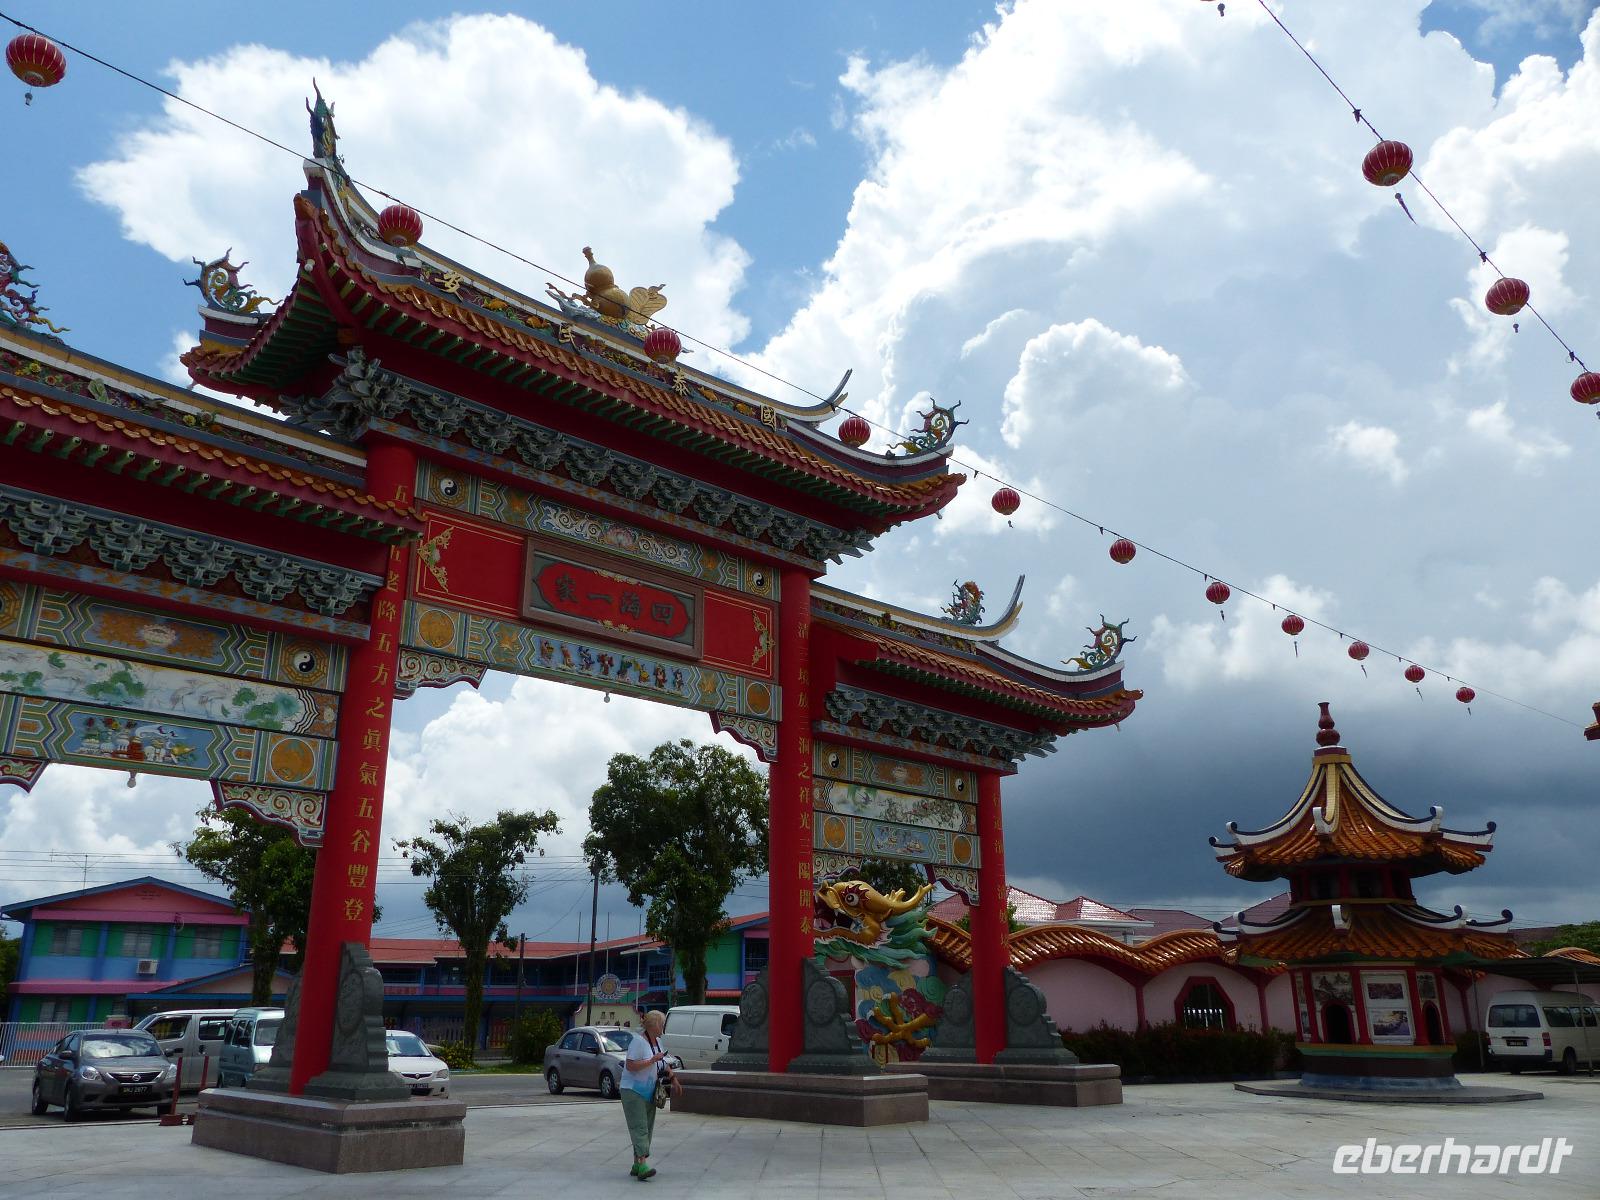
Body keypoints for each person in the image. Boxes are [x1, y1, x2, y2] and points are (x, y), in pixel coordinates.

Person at [621, 1009, 680, 1180]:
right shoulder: (638, 1042)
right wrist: (651, 1060)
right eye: (661, 1023)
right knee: (639, 1127)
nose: (663, 1026)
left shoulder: (658, 1042)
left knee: (646, 1127)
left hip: (648, 1092)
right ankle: (643, 1165)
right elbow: (631, 1066)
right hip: (632, 1091)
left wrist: (673, 1077)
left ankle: (637, 1164)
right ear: (654, 1025)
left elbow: (664, 1063)